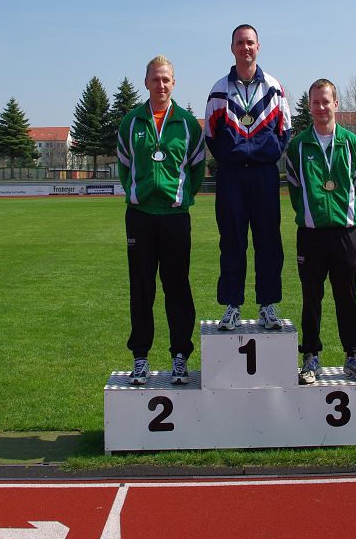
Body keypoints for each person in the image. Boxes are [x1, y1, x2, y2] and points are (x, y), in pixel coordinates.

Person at [116, 55, 207, 385]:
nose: (161, 84)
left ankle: (180, 356)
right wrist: (139, 193)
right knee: (141, 288)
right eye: (155, 79)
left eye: (166, 79)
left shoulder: (187, 123)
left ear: (174, 83)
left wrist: (180, 196)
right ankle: (140, 357)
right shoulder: (131, 122)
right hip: (140, 217)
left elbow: (197, 168)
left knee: (177, 287)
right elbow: (124, 167)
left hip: (175, 218)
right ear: (146, 82)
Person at [204, 24, 292, 331]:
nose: (246, 47)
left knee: (269, 241)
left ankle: (268, 305)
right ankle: (232, 305)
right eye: (240, 42)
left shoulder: (274, 87)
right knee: (232, 240)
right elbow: (211, 134)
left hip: (264, 175)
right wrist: (233, 153)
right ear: (232, 48)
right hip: (231, 176)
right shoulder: (219, 89)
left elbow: (285, 130)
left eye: (250, 42)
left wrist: (264, 152)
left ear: (258, 47)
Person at [285, 78, 356, 384]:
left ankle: (354, 356)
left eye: (326, 101)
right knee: (311, 298)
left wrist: (345, 215)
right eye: (316, 102)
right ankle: (311, 357)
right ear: (310, 107)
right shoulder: (297, 146)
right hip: (310, 234)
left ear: (336, 103)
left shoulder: (352, 143)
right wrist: (311, 214)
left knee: (347, 296)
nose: (321, 107)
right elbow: (295, 189)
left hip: (344, 233)